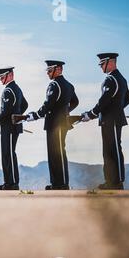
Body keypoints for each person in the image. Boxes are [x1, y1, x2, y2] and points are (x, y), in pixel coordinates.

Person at [81, 53, 129, 190]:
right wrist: (118, 108)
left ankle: (117, 181)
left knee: (114, 149)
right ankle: (110, 181)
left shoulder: (112, 79)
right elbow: (128, 98)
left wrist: (91, 114)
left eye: (102, 64)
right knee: (108, 151)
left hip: (112, 120)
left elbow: (104, 101)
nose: (101, 67)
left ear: (110, 62)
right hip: (109, 120)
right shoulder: (120, 78)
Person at [25, 60, 79, 190]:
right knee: (54, 153)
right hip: (59, 122)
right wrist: (65, 112)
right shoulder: (69, 85)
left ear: (59, 69)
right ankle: (56, 183)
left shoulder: (54, 85)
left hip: (56, 123)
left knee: (58, 153)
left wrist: (35, 115)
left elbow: (48, 104)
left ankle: (62, 183)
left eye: (50, 70)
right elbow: (75, 102)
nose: (48, 73)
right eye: (47, 71)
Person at [0, 67, 28, 190]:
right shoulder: (16, 88)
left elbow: (4, 113)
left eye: (3, 77)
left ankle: (12, 183)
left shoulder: (8, 90)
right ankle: (9, 181)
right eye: (0, 77)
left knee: (8, 154)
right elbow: (24, 104)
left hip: (9, 127)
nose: (1, 80)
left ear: (10, 75)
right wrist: (16, 115)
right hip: (12, 125)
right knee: (8, 153)